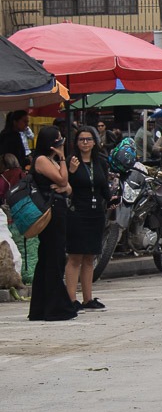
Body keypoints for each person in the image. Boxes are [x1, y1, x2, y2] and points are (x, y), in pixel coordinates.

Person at [27, 125, 78, 321]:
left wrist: (65, 183)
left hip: (59, 211)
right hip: (50, 214)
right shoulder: (41, 160)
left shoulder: (51, 160)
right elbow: (62, 179)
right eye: (57, 140)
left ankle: (43, 306)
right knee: (52, 258)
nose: (61, 143)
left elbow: (68, 187)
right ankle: (55, 307)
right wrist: (63, 158)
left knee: (51, 257)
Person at [64, 125, 110, 311]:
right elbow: (63, 183)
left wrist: (112, 200)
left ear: (94, 142)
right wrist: (71, 171)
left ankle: (88, 298)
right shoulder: (71, 161)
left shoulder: (100, 162)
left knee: (90, 256)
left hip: (95, 212)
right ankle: (71, 299)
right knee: (75, 256)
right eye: (81, 139)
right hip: (77, 211)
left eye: (88, 139)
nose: (85, 143)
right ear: (76, 143)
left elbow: (104, 186)